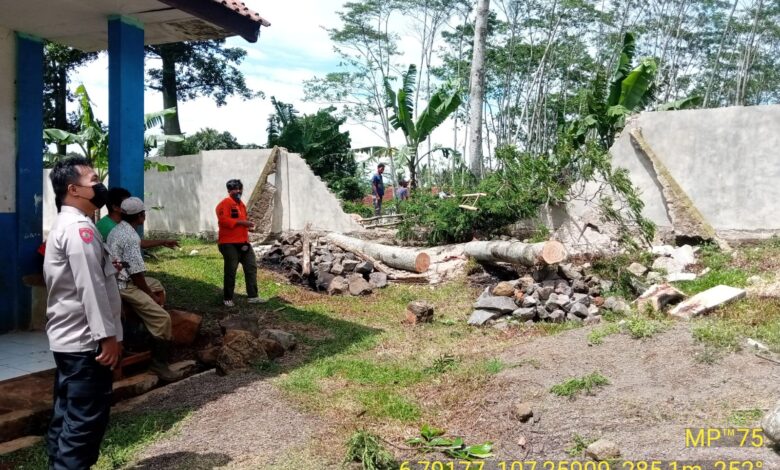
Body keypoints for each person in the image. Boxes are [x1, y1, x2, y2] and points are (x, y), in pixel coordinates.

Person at [43, 157, 122, 469]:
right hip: (87, 345)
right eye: (93, 181)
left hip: (68, 341)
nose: (99, 185)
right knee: (83, 428)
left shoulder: (67, 224)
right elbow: (91, 288)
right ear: (73, 189)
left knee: (65, 416)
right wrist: (108, 338)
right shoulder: (79, 229)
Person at [107, 197, 181, 382]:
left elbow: (139, 243)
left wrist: (163, 241)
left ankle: (146, 328)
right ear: (141, 216)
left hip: (117, 279)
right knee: (163, 319)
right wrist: (149, 296)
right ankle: (159, 364)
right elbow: (137, 274)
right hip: (124, 285)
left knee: (158, 285)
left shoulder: (119, 229)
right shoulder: (130, 236)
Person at [216, 179, 265, 307]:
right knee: (231, 270)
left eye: (239, 189)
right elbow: (223, 221)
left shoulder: (242, 205)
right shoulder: (224, 203)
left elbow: (240, 221)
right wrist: (242, 223)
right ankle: (227, 298)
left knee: (251, 267)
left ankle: (253, 297)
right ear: (229, 191)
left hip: (243, 242)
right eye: (234, 189)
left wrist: (248, 226)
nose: (237, 191)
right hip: (228, 243)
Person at [97, 186, 179, 250]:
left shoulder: (117, 224)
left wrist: (163, 242)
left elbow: (137, 242)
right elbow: (137, 243)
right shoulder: (111, 228)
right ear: (115, 207)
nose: (129, 205)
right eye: (126, 203)